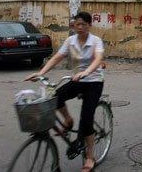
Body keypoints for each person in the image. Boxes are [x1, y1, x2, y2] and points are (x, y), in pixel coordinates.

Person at [26, 11, 104, 172]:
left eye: (83, 24)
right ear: (73, 25)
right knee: (54, 96)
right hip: (77, 79)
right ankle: (68, 120)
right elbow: (57, 57)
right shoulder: (70, 41)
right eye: (77, 24)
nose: (80, 27)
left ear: (89, 25)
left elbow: (97, 59)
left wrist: (87, 72)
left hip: (94, 82)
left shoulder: (96, 41)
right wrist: (41, 73)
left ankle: (90, 157)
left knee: (87, 120)